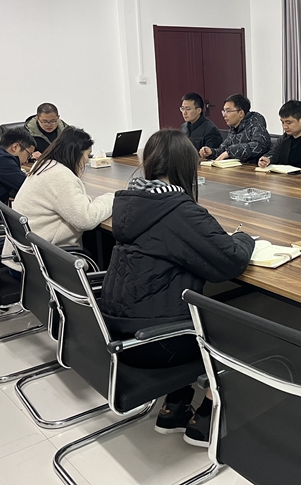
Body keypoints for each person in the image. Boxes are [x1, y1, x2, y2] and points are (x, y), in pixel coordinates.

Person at [100, 128, 254, 448]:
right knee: (239, 325)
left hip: (118, 329)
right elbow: (231, 261)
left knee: (169, 292)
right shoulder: (177, 210)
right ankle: (209, 413)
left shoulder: (131, 200)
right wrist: (243, 237)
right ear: (187, 165)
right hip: (155, 341)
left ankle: (176, 404)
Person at [2, 126, 114, 270]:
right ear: (76, 154)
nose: (87, 161)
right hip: (40, 263)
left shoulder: (44, 165)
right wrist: (112, 198)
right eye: (87, 155)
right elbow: (86, 219)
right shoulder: (60, 176)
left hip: (23, 256)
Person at [199, 94, 270, 163]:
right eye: (224, 111)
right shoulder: (234, 128)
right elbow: (224, 150)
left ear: (241, 113)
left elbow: (259, 146)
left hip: (253, 167)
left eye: (228, 111)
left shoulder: (256, 124)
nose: (224, 115)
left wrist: (231, 151)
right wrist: (212, 152)